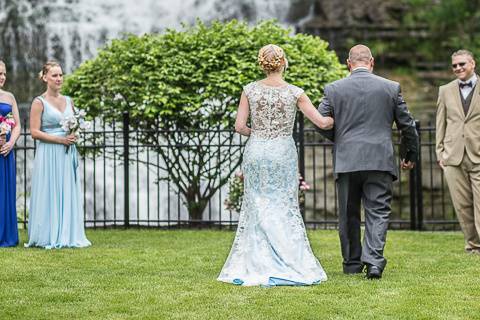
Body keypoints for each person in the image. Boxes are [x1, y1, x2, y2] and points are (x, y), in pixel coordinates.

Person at [218, 44, 333, 286]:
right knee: (282, 202)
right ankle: (290, 259)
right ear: (283, 63)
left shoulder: (249, 90)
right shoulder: (295, 92)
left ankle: (255, 261)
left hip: (257, 150)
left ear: (262, 64)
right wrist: (340, 116)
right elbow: (322, 123)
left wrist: (258, 133)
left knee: (257, 203)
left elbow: (239, 127)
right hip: (282, 151)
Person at [318, 44, 418, 279]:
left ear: (348, 63)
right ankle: (373, 262)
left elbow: (319, 121)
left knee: (347, 213)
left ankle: (352, 264)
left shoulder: (333, 89)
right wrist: (408, 154)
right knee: (378, 211)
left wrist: (340, 139)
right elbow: (408, 126)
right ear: (371, 62)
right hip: (379, 159)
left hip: (347, 160)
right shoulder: (391, 88)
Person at [25, 61, 91, 249]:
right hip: (49, 153)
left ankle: (69, 234)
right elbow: (35, 132)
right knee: (50, 191)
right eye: (54, 75)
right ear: (45, 77)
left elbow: (73, 125)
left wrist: (73, 135)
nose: (59, 78)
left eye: (61, 75)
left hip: (66, 153)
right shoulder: (39, 102)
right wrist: (60, 140)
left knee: (66, 190)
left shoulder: (69, 100)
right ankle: (48, 234)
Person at [436, 49, 480, 255]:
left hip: (478, 155)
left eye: (462, 64)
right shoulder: (445, 90)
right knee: (462, 206)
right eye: (454, 65)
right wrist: (440, 152)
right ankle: (472, 245)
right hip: (453, 156)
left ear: (473, 63)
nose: (458, 68)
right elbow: (440, 123)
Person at [0, 60, 21, 247]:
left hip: (5, 152)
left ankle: (6, 235)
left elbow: (17, 125)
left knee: (5, 191)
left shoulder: (10, 97)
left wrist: (11, 142)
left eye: (4, 73)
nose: (2, 77)